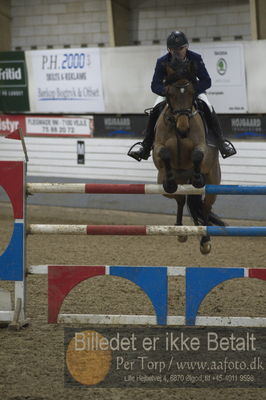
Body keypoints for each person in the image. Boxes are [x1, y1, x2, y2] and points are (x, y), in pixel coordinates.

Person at [128, 31, 236, 161]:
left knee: (208, 106)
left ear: (187, 47)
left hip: (193, 92)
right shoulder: (162, 61)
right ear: (168, 49)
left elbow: (206, 81)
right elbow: (155, 84)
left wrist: (191, 92)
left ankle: (221, 142)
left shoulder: (195, 58)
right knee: (155, 109)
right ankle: (145, 147)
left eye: (180, 48)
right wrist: (168, 93)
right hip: (171, 94)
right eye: (173, 49)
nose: (177, 52)